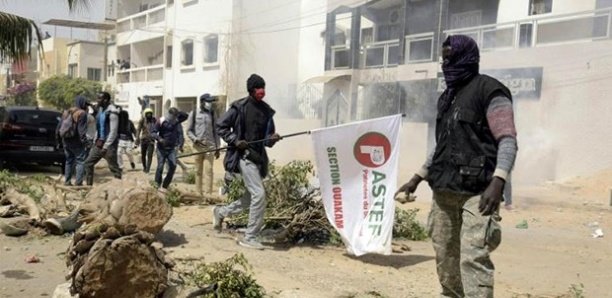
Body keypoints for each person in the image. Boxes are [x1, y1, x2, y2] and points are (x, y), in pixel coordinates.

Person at [396, 35, 517, 298]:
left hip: (479, 194)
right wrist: (417, 177)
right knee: (446, 258)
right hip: (444, 191)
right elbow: (443, 145)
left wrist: (499, 181)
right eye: (443, 58)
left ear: (466, 57)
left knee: (472, 259)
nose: (445, 63)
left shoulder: (490, 92)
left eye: (449, 57)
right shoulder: (447, 97)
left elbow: (507, 140)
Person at [212, 74, 281, 250]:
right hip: (244, 157)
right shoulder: (239, 107)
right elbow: (221, 126)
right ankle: (250, 236)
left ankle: (220, 212)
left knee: (251, 198)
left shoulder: (266, 111)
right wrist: (235, 140)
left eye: (263, 87)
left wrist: (272, 139)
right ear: (251, 90)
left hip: (258, 160)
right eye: (258, 87)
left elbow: (266, 140)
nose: (262, 91)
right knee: (259, 194)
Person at [84, 92, 122, 185]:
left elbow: (113, 132)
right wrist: (95, 140)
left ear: (105, 100)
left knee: (113, 168)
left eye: (99, 98)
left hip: (109, 145)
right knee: (88, 163)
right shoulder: (101, 110)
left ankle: (119, 188)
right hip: (99, 143)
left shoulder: (112, 113)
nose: (97, 101)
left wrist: (106, 146)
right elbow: (99, 127)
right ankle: (89, 188)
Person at [187, 93, 220, 194]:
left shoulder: (212, 114)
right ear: (202, 102)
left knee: (208, 170)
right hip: (197, 147)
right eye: (208, 101)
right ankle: (198, 194)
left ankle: (208, 195)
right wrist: (195, 139)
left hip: (210, 146)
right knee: (198, 171)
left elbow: (216, 131)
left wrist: (217, 147)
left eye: (211, 101)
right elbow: (188, 131)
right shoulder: (194, 113)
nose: (210, 104)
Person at [152, 107, 188, 189]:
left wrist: (178, 111)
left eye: (175, 116)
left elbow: (186, 116)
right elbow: (153, 133)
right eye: (173, 116)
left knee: (173, 166)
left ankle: (165, 186)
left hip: (171, 149)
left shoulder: (176, 121)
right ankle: (157, 185)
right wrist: (160, 139)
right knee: (160, 167)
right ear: (169, 114)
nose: (174, 118)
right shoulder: (161, 121)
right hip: (161, 148)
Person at [57, 96, 88, 186]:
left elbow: (59, 127)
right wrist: (86, 142)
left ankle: (67, 182)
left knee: (69, 161)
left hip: (66, 140)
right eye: (86, 104)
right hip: (76, 141)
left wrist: (59, 141)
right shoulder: (82, 113)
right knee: (80, 161)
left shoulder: (67, 111)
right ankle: (78, 183)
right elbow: (81, 131)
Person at [135, 108, 157, 173]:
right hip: (144, 140)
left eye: (150, 113)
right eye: (148, 113)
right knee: (143, 155)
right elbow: (138, 129)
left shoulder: (154, 120)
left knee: (150, 155)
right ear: (145, 114)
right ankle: (144, 167)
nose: (149, 115)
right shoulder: (142, 120)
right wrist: (137, 138)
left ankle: (148, 169)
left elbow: (158, 128)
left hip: (151, 140)